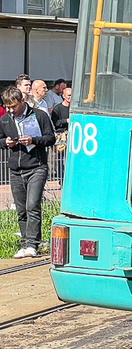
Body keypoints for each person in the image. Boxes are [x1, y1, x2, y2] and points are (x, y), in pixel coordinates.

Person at [0, 85, 56, 259]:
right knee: (21, 208)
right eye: (7, 107)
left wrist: (34, 140)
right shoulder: (5, 119)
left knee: (33, 205)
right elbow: (0, 139)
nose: (10, 110)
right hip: (16, 168)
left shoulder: (39, 115)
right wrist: (6, 143)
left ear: (22, 101)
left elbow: (51, 138)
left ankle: (33, 244)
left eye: (14, 106)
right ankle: (25, 243)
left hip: (36, 166)